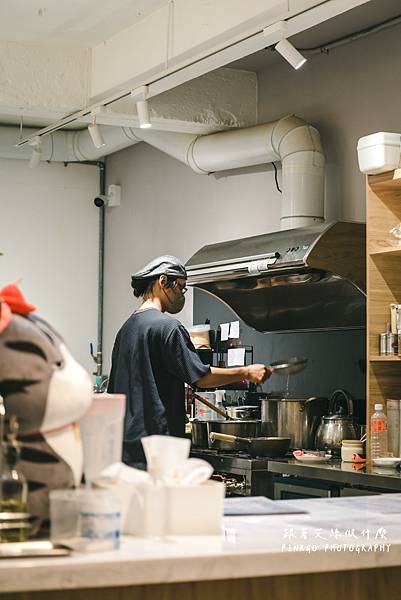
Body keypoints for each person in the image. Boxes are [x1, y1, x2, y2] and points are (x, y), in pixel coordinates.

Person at [108, 255, 271, 467]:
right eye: (181, 287)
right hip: (159, 448)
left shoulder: (126, 329)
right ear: (163, 281)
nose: (182, 295)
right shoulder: (167, 327)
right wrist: (246, 372)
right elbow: (201, 378)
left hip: (126, 448)